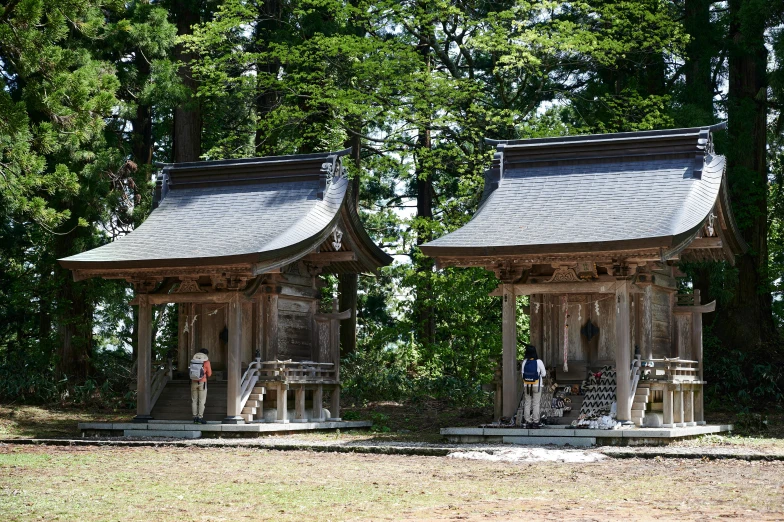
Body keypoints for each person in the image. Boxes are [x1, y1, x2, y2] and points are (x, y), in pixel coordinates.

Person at [521, 344, 547, 428]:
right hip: (537, 385)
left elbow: (522, 375)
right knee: (536, 403)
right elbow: (544, 374)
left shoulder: (524, 362)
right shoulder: (538, 361)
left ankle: (527, 422)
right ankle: (536, 422)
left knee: (527, 402)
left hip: (527, 385)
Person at [190, 348, 212, 424]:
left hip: (193, 382)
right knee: (201, 401)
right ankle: (200, 417)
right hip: (202, 383)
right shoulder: (206, 362)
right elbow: (209, 374)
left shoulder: (193, 361)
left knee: (194, 400)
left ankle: (194, 417)